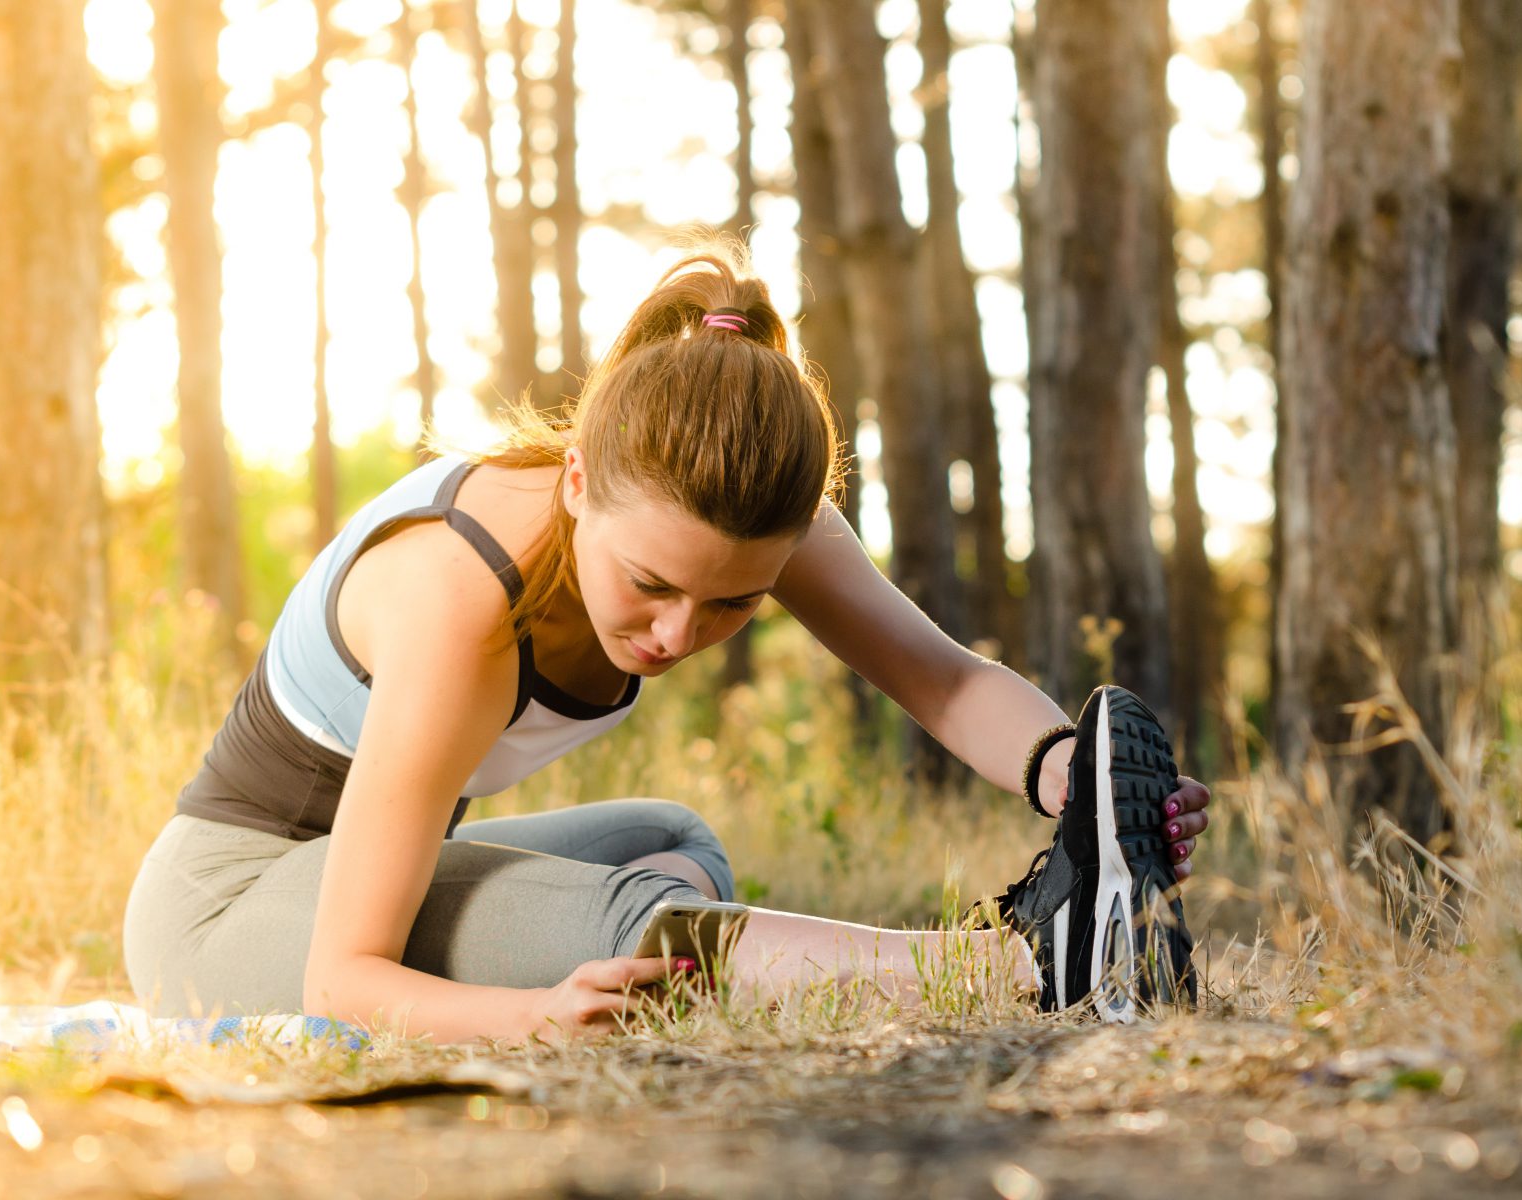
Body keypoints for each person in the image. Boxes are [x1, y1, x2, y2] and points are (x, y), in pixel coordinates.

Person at [122, 248, 1213, 1043]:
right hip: (223, 915)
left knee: (670, 840)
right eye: (648, 586)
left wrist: (1070, 777)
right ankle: (1022, 966)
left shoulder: (733, 513)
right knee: (636, 926)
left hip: (363, 875)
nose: (678, 634)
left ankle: (1068, 931)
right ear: (577, 483)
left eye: (731, 606)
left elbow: (943, 680)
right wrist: (527, 1014)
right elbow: (340, 979)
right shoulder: (460, 598)